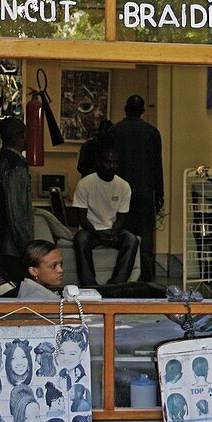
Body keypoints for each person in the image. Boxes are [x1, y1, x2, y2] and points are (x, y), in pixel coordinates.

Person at [109, 95, 164, 279]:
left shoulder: (115, 131)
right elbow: (158, 166)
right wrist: (159, 193)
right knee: (146, 234)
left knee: (123, 232)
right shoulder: (152, 132)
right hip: (146, 192)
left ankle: (124, 274)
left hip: (119, 192)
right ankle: (147, 276)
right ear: (142, 111)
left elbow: (108, 164)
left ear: (125, 109)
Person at [70, 142, 138, 286]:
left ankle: (116, 284)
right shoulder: (85, 183)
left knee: (131, 239)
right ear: (99, 162)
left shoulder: (124, 186)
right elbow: (82, 217)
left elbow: (121, 217)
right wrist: (96, 233)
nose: (111, 166)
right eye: (108, 162)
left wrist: (114, 232)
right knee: (80, 239)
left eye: (115, 163)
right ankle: (89, 284)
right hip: (90, 231)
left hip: (112, 229)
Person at [0, 117, 35, 283]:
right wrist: (27, 247)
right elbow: (16, 210)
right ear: (23, 134)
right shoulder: (16, 165)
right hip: (12, 246)